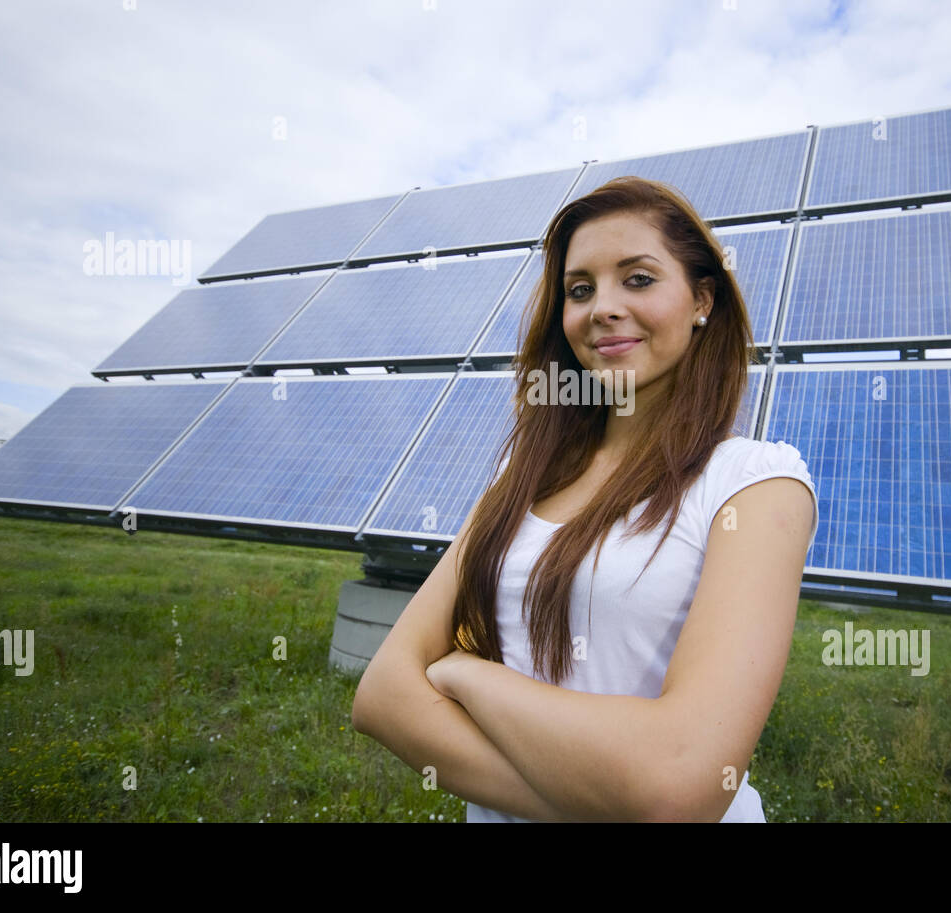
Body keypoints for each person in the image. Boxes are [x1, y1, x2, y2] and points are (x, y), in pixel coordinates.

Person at [351, 175, 818, 822]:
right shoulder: (524, 473)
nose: (602, 306)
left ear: (702, 299)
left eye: (638, 279)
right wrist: (609, 798)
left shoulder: (756, 483)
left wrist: (468, 675)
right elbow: (383, 693)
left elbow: (685, 782)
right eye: (579, 289)